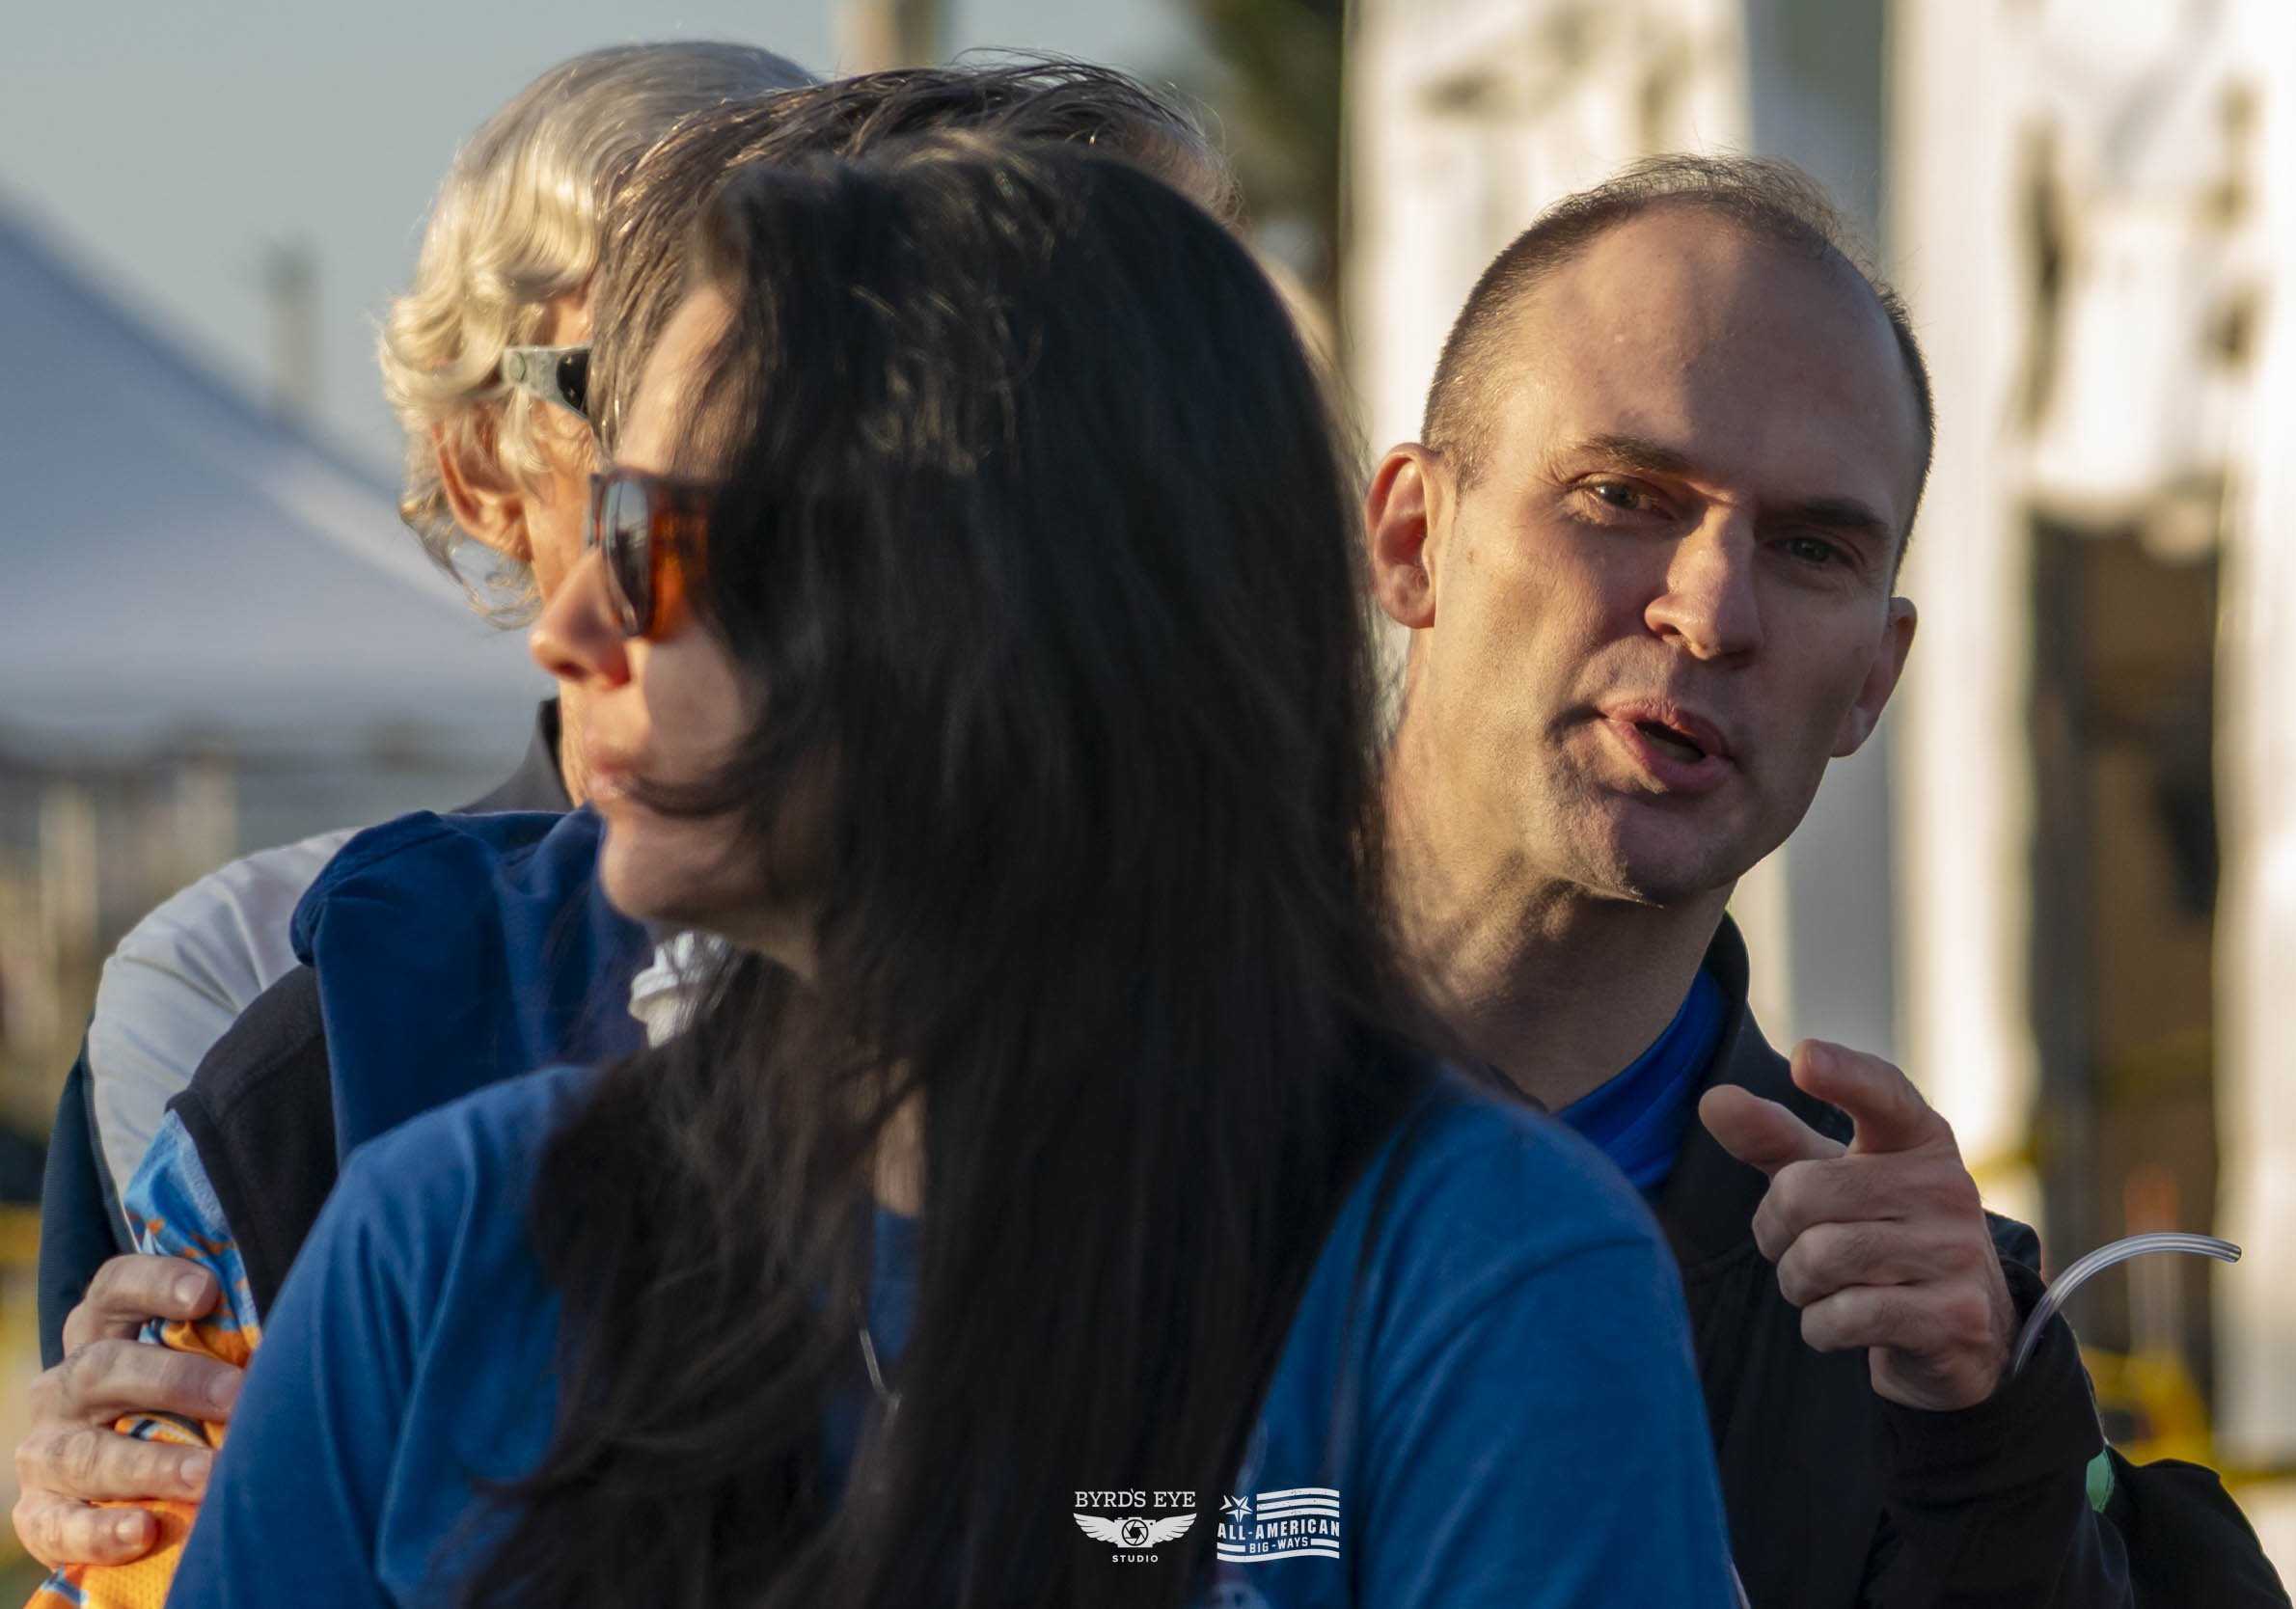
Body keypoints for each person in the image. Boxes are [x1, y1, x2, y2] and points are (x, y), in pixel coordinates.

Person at [166, 137, 1733, 1608]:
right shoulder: (443, 1247)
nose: (575, 633)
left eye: (647, 539)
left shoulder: (1488, 1288)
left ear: (984, 599)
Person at [14, 61, 1254, 1599]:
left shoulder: (1399, 1145)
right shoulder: (302, 1023)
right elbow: (157, 1516)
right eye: (641, 388)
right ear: (487, 469)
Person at [1365, 153, 2290, 1603]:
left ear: (1872, 679)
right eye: (1624, 493)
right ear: (1417, 539)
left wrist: (1990, 1470)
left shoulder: (1914, 1348)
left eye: (1809, 548)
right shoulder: (1044, 1120)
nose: (1713, 609)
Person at [14, 39, 815, 1576]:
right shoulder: (275, 986)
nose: (745, 438)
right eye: (641, 371)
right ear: (485, 472)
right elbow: (193, 1525)